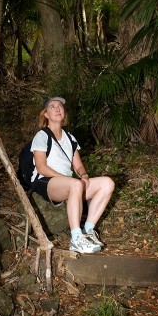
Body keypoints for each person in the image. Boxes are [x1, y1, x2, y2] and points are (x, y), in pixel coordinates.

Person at [31, 96, 115, 254]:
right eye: (52, 106)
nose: (57, 109)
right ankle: (76, 238)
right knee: (75, 184)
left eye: (60, 106)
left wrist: (84, 175)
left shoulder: (70, 138)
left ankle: (88, 230)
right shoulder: (42, 136)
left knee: (107, 183)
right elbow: (41, 167)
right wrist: (69, 179)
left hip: (68, 185)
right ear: (46, 115)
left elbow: (78, 165)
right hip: (46, 182)